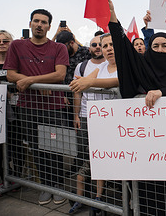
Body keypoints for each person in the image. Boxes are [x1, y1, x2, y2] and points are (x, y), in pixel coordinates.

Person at [107, 0, 166, 215]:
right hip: (148, 147)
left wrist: (161, 93)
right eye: (155, 45)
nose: (159, 49)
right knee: (150, 193)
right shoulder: (143, 67)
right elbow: (124, 49)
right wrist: (113, 17)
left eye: (164, 45)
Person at [4, 8, 69, 205]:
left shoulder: (59, 48)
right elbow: (10, 74)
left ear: (50, 26)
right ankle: (45, 187)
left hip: (54, 108)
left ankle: (58, 187)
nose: (39, 25)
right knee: (37, 148)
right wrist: (36, 84)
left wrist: (31, 81)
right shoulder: (16, 46)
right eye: (36, 21)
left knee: (55, 149)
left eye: (44, 22)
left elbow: (60, 75)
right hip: (28, 108)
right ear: (30, 23)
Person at [68, 33, 119, 214]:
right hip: (97, 123)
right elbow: (85, 81)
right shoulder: (102, 66)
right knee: (94, 159)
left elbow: (115, 81)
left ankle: (120, 200)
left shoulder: (125, 65)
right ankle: (94, 199)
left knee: (112, 162)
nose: (108, 49)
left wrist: (88, 82)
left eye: (112, 45)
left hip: (118, 126)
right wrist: (84, 82)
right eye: (105, 46)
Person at [0, 29, 20, 191]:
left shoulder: (18, 64)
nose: (1, 44)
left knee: (17, 145)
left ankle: (19, 178)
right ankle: (5, 178)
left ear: (11, 43)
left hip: (18, 113)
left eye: (5, 41)